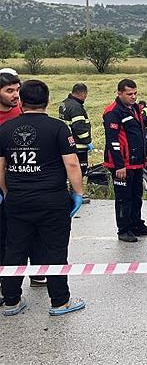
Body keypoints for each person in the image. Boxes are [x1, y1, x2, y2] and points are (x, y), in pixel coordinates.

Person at [0, 79, 86, 316]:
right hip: (52, 200)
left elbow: (0, 167)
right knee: (55, 250)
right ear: (47, 101)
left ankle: (11, 301)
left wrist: (7, 192)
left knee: (14, 250)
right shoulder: (58, 128)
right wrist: (78, 193)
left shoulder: (5, 130)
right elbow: (71, 164)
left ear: (22, 101)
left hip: (18, 200)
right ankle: (60, 302)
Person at [0, 69, 47, 291]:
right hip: (3, 185)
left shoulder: (21, 112)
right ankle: (6, 281)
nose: (16, 95)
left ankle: (38, 273)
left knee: (34, 232)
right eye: (9, 91)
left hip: (23, 181)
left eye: (17, 90)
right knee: (7, 237)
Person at [103, 79, 147, 243]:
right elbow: (112, 141)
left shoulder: (136, 108)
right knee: (123, 198)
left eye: (135, 93)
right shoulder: (113, 112)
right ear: (119, 93)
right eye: (129, 94)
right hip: (121, 164)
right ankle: (124, 230)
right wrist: (119, 165)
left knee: (136, 195)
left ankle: (136, 225)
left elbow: (141, 134)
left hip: (136, 162)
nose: (133, 97)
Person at [59, 84, 93, 204]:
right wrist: (87, 141)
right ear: (83, 94)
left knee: (68, 170)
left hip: (68, 143)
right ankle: (76, 193)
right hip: (78, 145)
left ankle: (70, 192)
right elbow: (79, 127)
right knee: (79, 170)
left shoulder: (64, 103)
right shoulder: (76, 107)